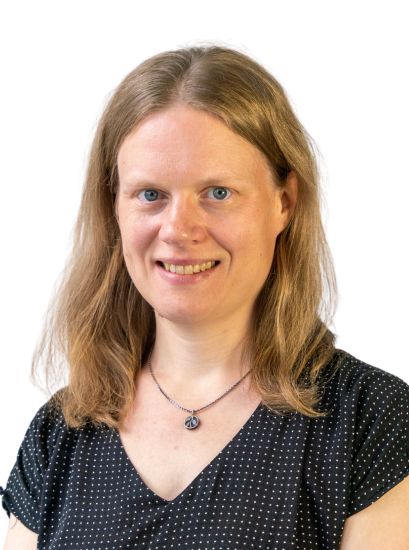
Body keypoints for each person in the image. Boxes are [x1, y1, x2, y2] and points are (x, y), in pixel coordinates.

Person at [1, 45, 408, 550]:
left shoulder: (371, 420)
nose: (178, 229)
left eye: (217, 193)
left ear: (284, 203)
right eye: (151, 194)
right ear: (115, 209)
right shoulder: (60, 433)